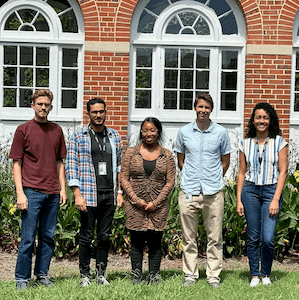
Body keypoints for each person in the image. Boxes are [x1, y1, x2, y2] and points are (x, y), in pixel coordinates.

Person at [9, 89, 67, 290]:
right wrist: (20, 193)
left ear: (51, 107)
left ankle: (42, 274)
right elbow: (16, 164)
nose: (43, 107)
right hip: (31, 191)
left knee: (48, 237)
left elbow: (60, 162)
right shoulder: (23, 130)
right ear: (32, 105)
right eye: (39, 104)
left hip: (52, 192)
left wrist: (63, 189)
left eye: (47, 104)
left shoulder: (57, 130)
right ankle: (22, 279)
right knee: (27, 237)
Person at [174, 93, 231, 288]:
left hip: (213, 192)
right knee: (188, 237)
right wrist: (192, 177)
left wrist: (212, 178)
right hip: (189, 190)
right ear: (195, 108)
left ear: (211, 110)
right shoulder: (184, 132)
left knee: (214, 237)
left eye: (206, 107)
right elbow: (181, 160)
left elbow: (226, 162)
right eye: (200, 107)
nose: (203, 111)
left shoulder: (221, 133)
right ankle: (190, 274)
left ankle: (213, 276)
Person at [66, 98, 123, 287]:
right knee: (86, 236)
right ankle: (84, 275)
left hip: (109, 193)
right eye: (94, 112)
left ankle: (100, 274)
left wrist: (120, 191)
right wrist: (77, 194)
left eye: (101, 112)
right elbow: (71, 165)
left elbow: (119, 167)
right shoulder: (79, 135)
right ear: (88, 114)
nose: (98, 115)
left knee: (104, 236)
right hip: (88, 194)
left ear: (106, 112)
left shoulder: (114, 136)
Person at [236, 102, 288, 287]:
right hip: (250, 191)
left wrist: (275, 199)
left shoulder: (279, 142)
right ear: (253, 120)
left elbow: (283, 172)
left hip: (270, 191)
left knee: (267, 238)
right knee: (253, 236)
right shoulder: (245, 143)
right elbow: (241, 172)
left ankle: (266, 273)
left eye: (265, 117)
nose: (262, 121)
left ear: (270, 120)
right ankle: (255, 275)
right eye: (258, 117)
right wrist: (238, 200)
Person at [120, 117, 175, 284]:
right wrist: (136, 200)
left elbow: (170, 181)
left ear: (158, 132)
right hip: (135, 206)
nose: (148, 133)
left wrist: (156, 202)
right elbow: (123, 178)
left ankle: (154, 276)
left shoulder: (167, 155)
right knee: (136, 242)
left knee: (155, 243)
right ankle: (136, 277)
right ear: (141, 132)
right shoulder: (131, 152)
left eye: (152, 130)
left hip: (158, 207)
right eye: (145, 130)